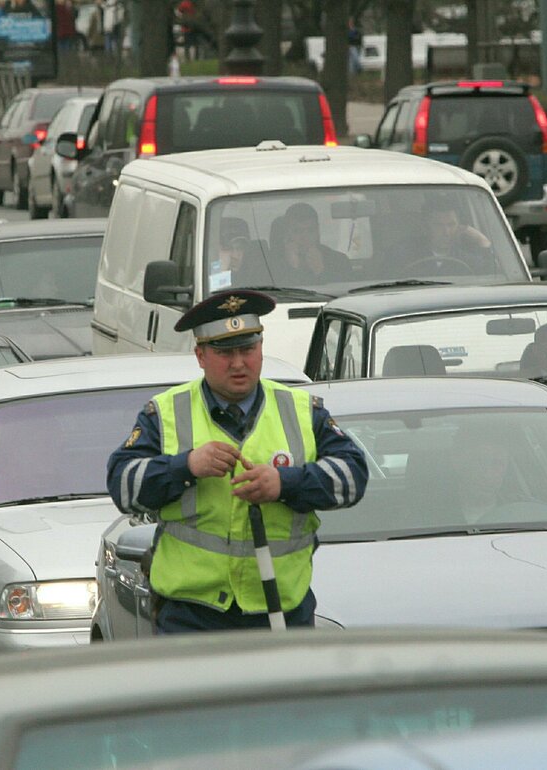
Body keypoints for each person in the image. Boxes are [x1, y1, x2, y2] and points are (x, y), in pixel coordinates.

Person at [106, 290, 369, 633]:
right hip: (192, 615)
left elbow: (353, 477)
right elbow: (123, 486)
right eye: (225, 353)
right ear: (200, 355)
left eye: (248, 350)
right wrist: (185, 467)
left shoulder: (302, 410)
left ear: (261, 348)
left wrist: (285, 483)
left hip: (281, 610)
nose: (239, 363)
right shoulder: (166, 412)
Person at [277, 202, 349, 283]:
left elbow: (344, 292)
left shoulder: (338, 261)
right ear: (287, 233)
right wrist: (293, 267)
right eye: (297, 231)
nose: (305, 237)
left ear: (318, 231)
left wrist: (320, 270)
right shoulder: (272, 265)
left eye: (310, 230)